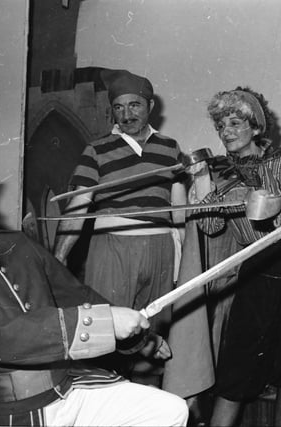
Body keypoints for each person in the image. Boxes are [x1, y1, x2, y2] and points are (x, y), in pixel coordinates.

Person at [0, 149, 188, 426]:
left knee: (170, 411)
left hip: (70, 385)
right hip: (13, 413)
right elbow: (6, 335)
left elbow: (76, 294)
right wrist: (106, 323)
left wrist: (140, 338)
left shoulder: (17, 244)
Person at [187, 87, 281, 427]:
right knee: (238, 362)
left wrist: (279, 205)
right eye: (221, 126)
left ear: (255, 127)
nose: (227, 132)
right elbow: (209, 226)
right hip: (257, 265)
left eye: (235, 123)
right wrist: (202, 182)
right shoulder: (222, 177)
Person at [53, 69, 186, 382]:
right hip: (113, 248)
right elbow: (79, 204)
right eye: (119, 107)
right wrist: (58, 258)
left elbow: (178, 207)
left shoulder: (169, 147)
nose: (127, 114)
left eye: (135, 105)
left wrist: (184, 255)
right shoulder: (96, 149)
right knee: (109, 333)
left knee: (153, 339)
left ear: (149, 106)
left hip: (160, 250)